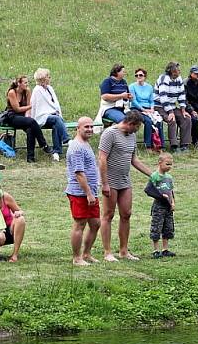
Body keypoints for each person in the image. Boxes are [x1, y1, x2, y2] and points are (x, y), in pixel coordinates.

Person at [98, 110, 152, 262]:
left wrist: (152, 174)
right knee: (108, 215)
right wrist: (105, 183)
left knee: (126, 214)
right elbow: (102, 159)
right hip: (111, 180)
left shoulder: (132, 136)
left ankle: (123, 251)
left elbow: (134, 160)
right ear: (130, 123)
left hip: (125, 180)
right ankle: (107, 252)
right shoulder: (110, 134)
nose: (138, 130)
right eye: (137, 127)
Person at [66, 117, 101, 266]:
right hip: (80, 193)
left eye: (92, 127)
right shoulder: (76, 147)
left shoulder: (85, 144)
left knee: (95, 223)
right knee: (80, 224)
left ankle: (86, 253)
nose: (90, 129)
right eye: (86, 127)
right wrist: (88, 193)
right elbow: (79, 173)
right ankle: (77, 257)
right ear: (78, 129)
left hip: (91, 192)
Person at [4, 75, 51, 163]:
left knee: (30, 129)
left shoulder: (27, 91)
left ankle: (30, 157)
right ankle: (43, 144)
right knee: (32, 122)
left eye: (27, 82)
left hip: (23, 117)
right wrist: (30, 107)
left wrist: (27, 115)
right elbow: (17, 109)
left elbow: (28, 108)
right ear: (19, 84)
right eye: (25, 82)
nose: (27, 84)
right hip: (13, 117)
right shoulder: (12, 92)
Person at [31, 68, 70, 161]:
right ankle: (67, 139)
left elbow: (54, 103)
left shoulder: (49, 88)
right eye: (48, 76)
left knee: (56, 124)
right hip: (42, 116)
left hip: (53, 116)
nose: (50, 78)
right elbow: (35, 106)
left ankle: (56, 151)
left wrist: (56, 113)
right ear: (43, 79)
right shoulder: (37, 90)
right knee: (56, 119)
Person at [155, 61, 192, 152]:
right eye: (177, 70)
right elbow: (163, 97)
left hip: (171, 105)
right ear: (171, 71)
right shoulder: (164, 79)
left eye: (179, 70)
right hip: (159, 106)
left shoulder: (179, 79)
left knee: (186, 118)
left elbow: (182, 95)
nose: (179, 71)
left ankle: (184, 145)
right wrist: (171, 113)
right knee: (172, 119)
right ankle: (174, 145)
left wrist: (183, 109)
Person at [147, 153, 176, 259]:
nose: (169, 167)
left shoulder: (169, 177)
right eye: (167, 164)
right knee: (156, 227)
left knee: (167, 227)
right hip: (158, 206)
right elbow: (149, 190)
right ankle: (155, 250)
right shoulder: (155, 176)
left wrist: (172, 202)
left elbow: (170, 191)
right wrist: (160, 196)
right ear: (160, 163)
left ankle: (165, 249)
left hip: (168, 207)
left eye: (171, 165)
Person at [130, 68, 164, 150]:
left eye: (140, 75)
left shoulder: (149, 87)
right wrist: (143, 110)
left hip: (149, 108)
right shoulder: (132, 86)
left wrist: (152, 108)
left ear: (145, 76)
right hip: (137, 108)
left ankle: (159, 144)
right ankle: (148, 145)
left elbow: (151, 100)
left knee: (158, 121)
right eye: (136, 75)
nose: (138, 76)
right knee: (148, 121)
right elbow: (133, 101)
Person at [0, 191, 26, 263]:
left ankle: (14, 255)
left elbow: (19, 211)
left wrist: (18, 213)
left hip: (8, 229)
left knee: (20, 219)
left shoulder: (5, 196)